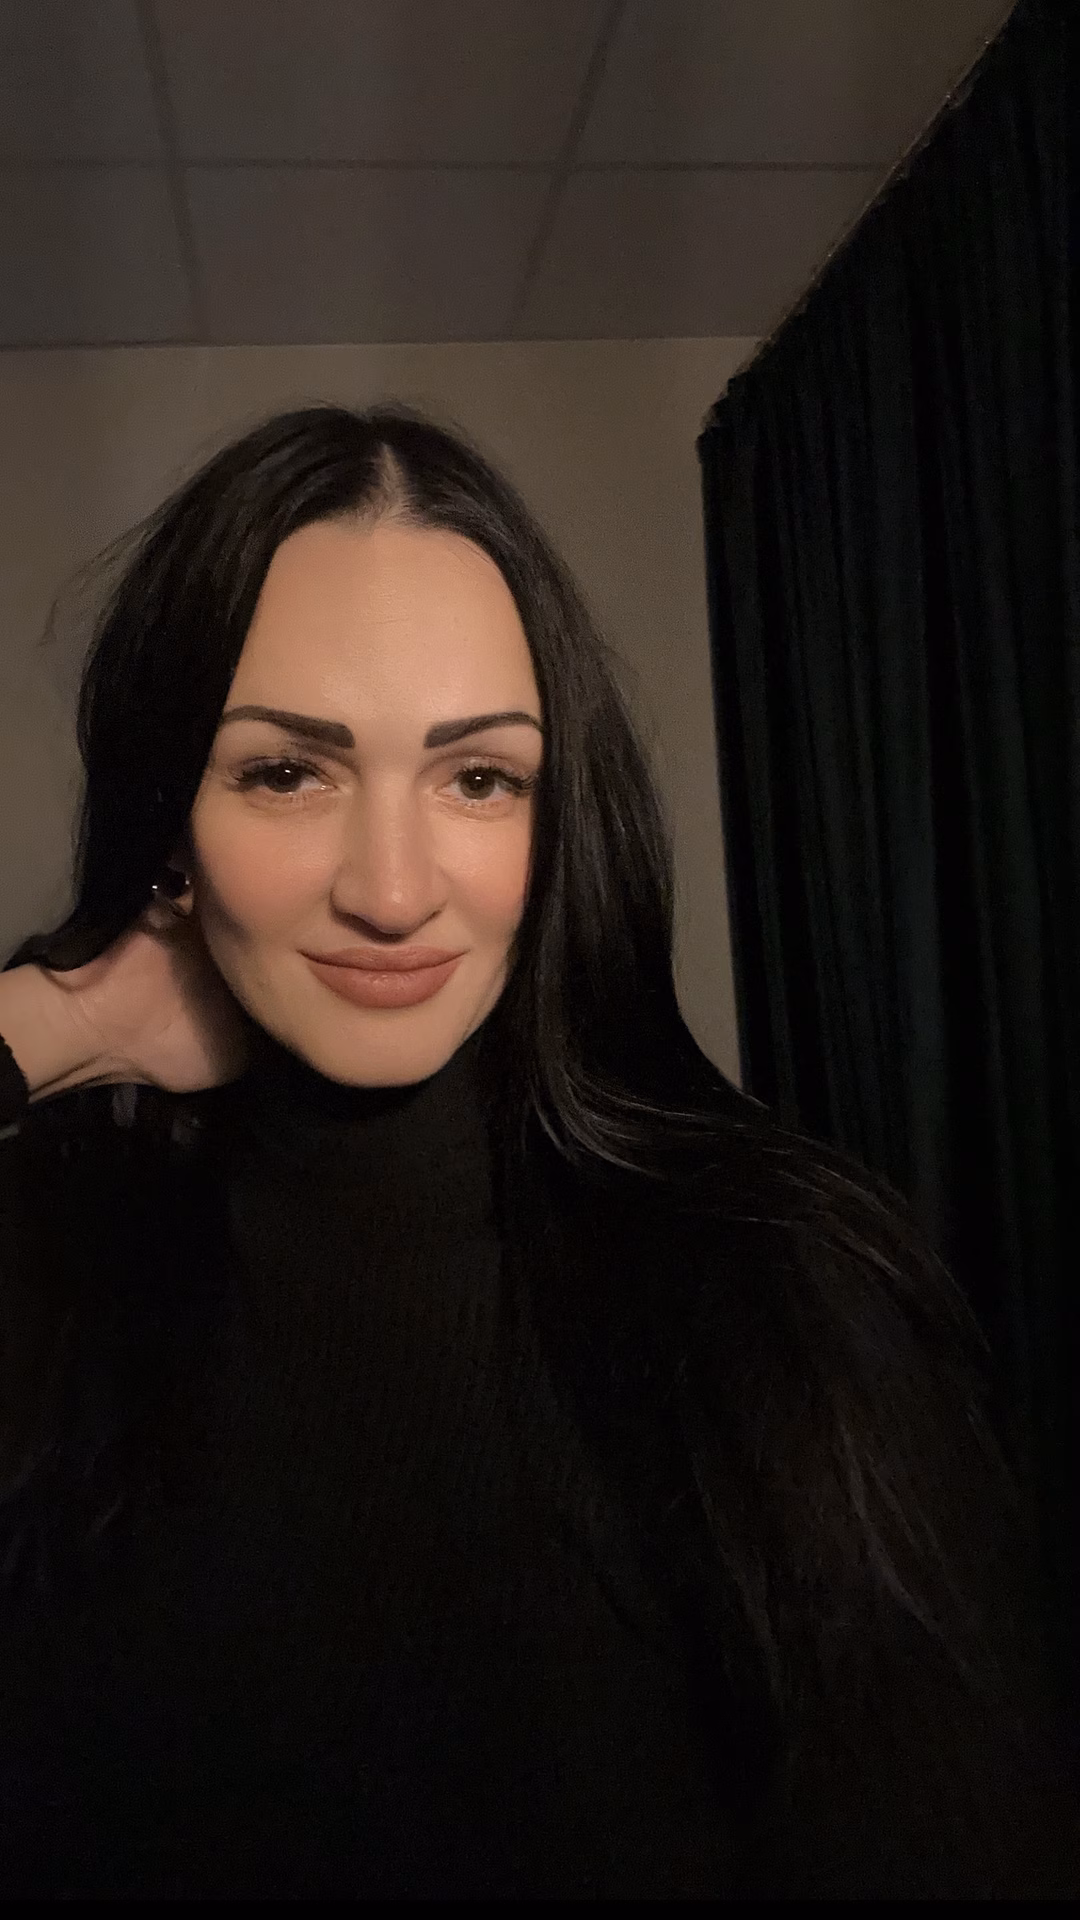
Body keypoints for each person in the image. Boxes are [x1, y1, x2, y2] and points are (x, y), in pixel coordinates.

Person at [0, 402, 1074, 1900]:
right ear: (170, 820)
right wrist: (53, 1019)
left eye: (479, 778)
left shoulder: (786, 1288)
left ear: (556, 824)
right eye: (287, 773)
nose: (392, 892)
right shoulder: (50, 1263)